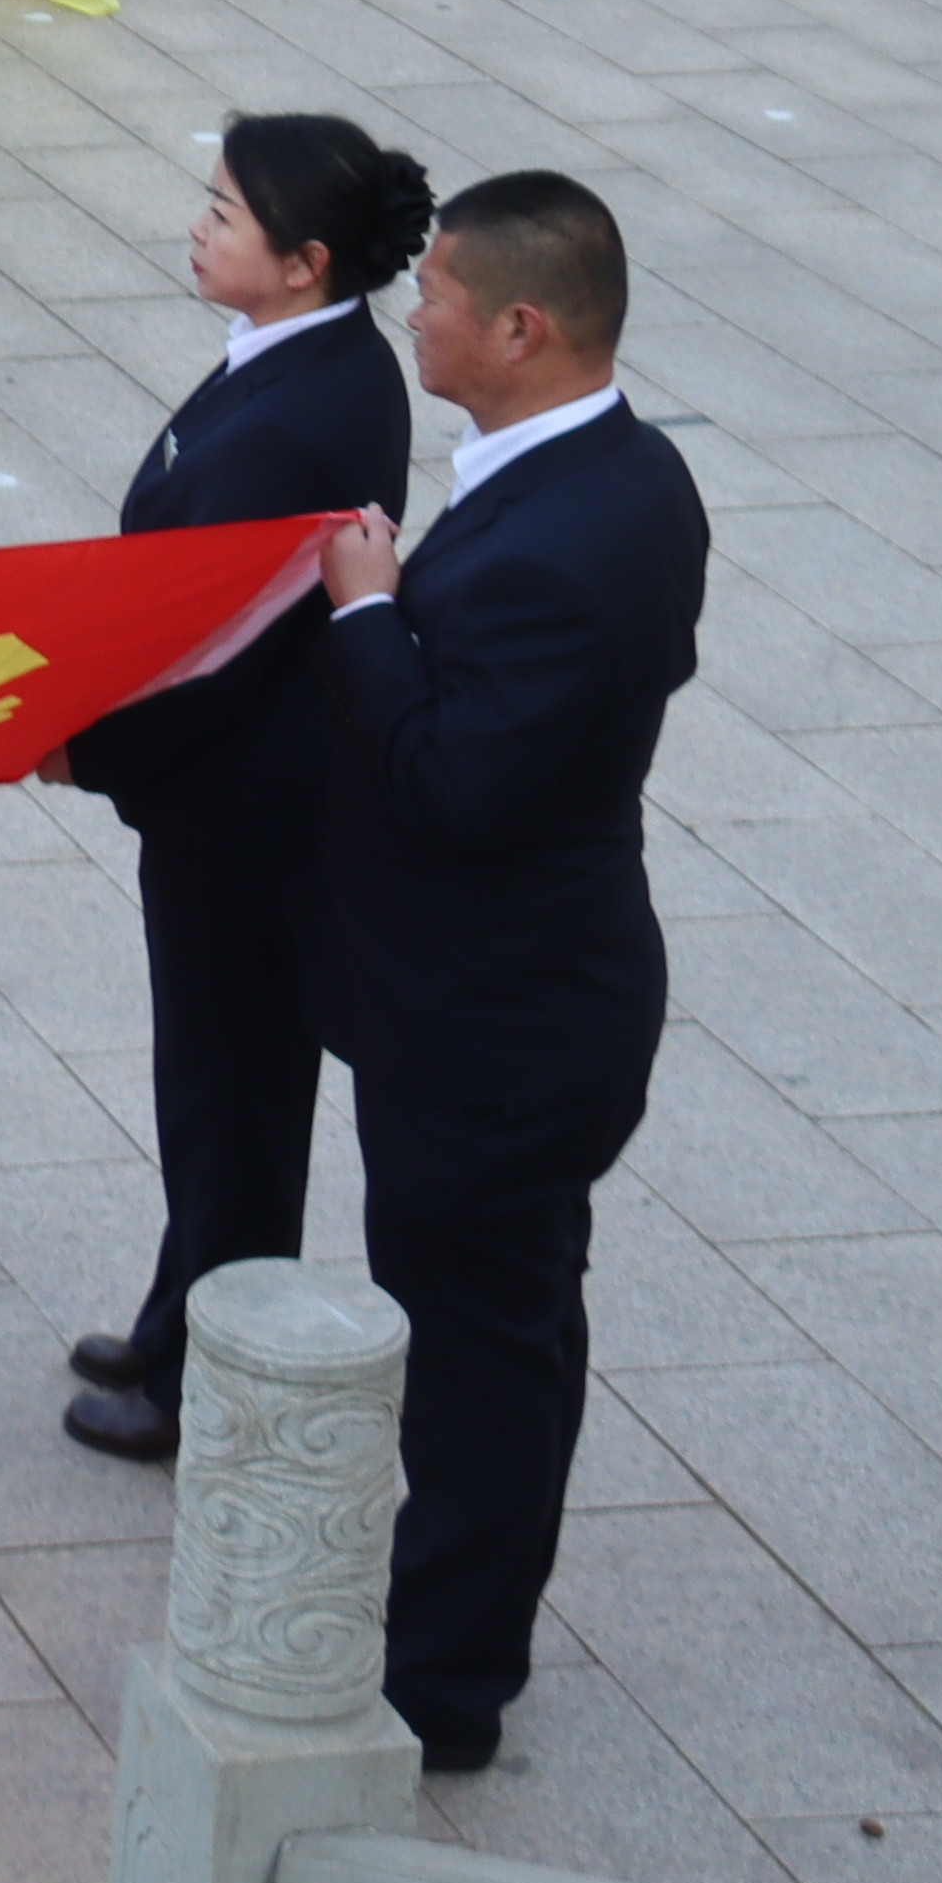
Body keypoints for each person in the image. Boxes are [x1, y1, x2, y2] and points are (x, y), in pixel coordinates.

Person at [312, 171, 703, 1773]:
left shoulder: (563, 542)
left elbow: (461, 785)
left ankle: (445, 1682)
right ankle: (469, 1616)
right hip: (528, 1005)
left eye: (445, 298)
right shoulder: (621, 472)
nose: (419, 314)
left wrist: (372, 618)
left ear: (522, 327)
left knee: (478, 1354)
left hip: (497, 1031)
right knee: (520, 1322)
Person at [51, 115, 431, 1460]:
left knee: (235, 1101)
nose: (199, 227)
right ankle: (180, 1316)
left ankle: (203, 1377)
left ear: (307, 260)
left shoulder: (307, 412)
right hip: (230, 803)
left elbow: (215, 654)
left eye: (226, 214)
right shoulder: (294, 359)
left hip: (250, 819)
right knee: (213, 1093)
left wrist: (83, 747)